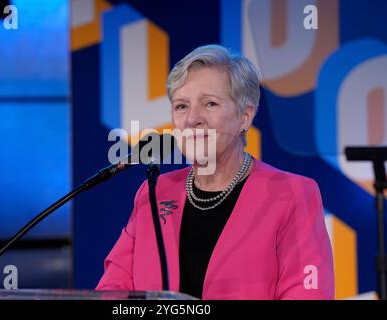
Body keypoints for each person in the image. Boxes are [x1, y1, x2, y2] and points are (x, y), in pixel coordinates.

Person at [96, 44, 334, 300]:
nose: (192, 119)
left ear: (245, 116)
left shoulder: (292, 194)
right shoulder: (153, 192)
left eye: (209, 103)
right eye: (181, 106)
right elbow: (112, 290)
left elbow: (307, 294)